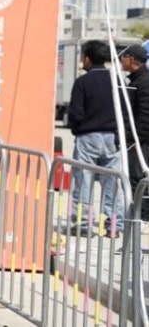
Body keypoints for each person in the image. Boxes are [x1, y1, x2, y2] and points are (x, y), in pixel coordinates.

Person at [68, 40, 124, 237]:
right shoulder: (117, 81)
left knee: (83, 181)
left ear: (87, 58)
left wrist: (76, 129)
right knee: (113, 183)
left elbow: (76, 112)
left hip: (87, 137)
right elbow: (124, 111)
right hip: (112, 137)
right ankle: (114, 225)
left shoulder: (82, 82)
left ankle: (83, 224)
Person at [120, 44, 149, 222]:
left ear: (131, 59)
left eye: (123, 57)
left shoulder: (144, 82)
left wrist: (133, 138)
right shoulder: (136, 80)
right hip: (137, 140)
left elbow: (144, 115)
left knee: (139, 180)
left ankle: (141, 217)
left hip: (141, 142)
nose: (121, 61)